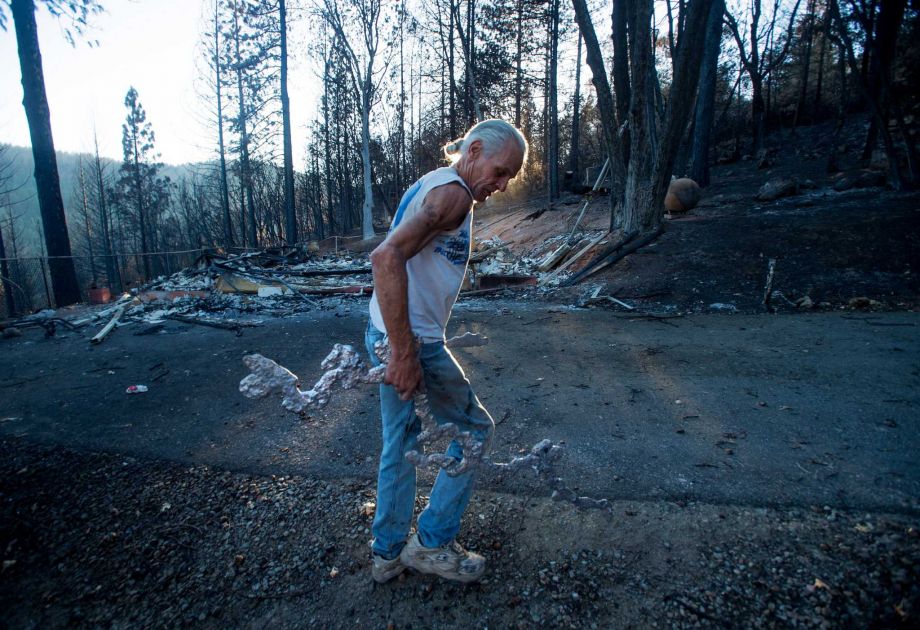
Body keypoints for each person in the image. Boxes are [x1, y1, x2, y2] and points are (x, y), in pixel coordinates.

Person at [365, 119, 528, 584]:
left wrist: (391, 343)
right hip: (410, 341)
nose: (501, 185)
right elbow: (385, 257)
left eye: (510, 179)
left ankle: (388, 553)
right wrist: (403, 353)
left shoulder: (437, 182)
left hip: (387, 331)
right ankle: (433, 544)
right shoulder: (453, 194)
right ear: (474, 151)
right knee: (476, 432)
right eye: (500, 172)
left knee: (401, 441)